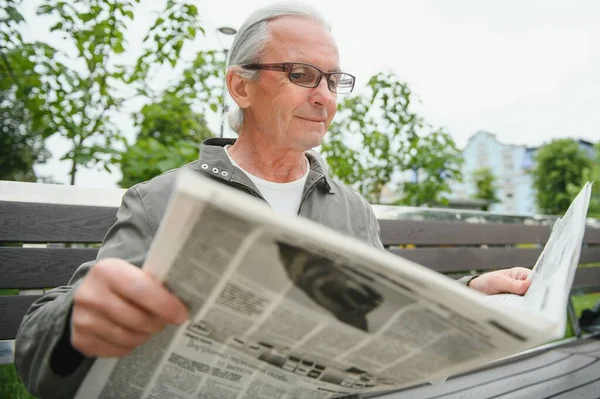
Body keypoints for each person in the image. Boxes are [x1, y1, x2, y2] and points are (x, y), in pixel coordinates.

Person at [14, 2, 531, 398]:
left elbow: (391, 303)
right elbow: (37, 353)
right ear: (241, 87)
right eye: (301, 75)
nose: (325, 96)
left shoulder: (350, 207)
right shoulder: (160, 199)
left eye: (333, 80)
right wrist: (77, 322)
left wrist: (473, 290)